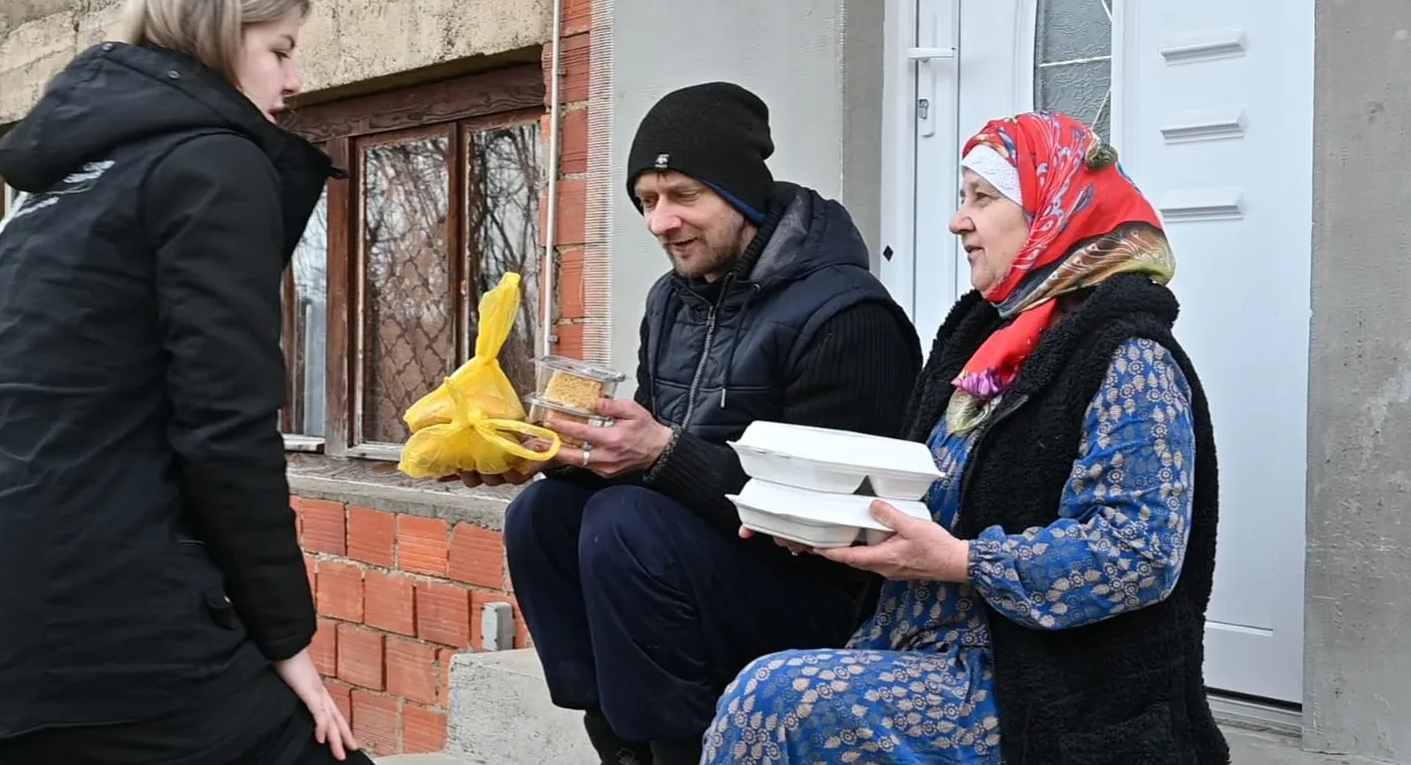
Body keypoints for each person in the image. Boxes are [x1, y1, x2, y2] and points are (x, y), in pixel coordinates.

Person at [0, 0, 369, 765]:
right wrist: (288, 642)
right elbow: (226, 429)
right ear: (222, 32)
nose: (296, 80)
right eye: (280, 49)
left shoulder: (47, 192)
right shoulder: (213, 164)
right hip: (107, 628)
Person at [702, 111, 1229, 764]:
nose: (959, 220)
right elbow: (930, 498)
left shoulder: (1131, 360)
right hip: (917, 648)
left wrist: (961, 562)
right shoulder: (982, 346)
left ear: (1054, 211)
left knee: (773, 700)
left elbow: (1137, 555)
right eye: (961, 198)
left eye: (983, 198)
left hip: (1047, 688)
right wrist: (819, 519)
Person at [497, 82, 924, 765]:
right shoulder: (672, 301)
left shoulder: (849, 316)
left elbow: (846, 521)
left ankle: (683, 749)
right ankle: (619, 739)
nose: (660, 222)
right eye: (647, 201)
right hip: (701, 563)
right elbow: (645, 462)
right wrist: (564, 452)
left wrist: (662, 455)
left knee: (625, 523)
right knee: (544, 513)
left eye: (683, 196)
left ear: (743, 196)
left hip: (823, 597)